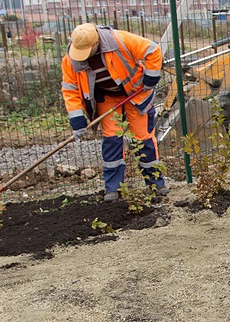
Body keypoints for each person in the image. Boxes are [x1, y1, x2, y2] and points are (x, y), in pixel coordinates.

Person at [61, 23, 167, 202]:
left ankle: (156, 183)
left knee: (142, 138)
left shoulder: (119, 40)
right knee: (111, 139)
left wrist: (151, 77)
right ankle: (113, 188)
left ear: (96, 44)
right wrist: (77, 118)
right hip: (106, 97)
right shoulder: (71, 59)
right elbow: (70, 89)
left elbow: (152, 50)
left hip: (135, 92)